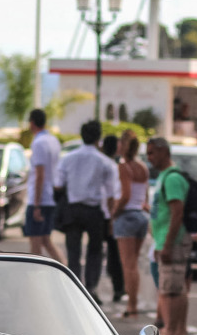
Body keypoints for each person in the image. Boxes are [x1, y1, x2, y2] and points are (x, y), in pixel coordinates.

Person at [55, 120, 118, 301]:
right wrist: (111, 216)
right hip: (94, 210)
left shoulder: (68, 158)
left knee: (73, 250)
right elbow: (111, 193)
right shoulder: (105, 162)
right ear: (99, 139)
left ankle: (76, 288)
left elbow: (58, 185)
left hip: (73, 208)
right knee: (95, 251)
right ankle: (91, 288)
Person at [144, 136, 191, 335]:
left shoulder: (172, 178)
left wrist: (168, 244)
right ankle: (175, 330)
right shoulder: (165, 176)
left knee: (172, 289)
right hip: (164, 240)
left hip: (173, 241)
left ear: (164, 152)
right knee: (172, 287)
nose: (149, 157)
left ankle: (175, 331)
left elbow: (177, 213)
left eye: (152, 152)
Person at [111, 130, 151, 318]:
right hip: (141, 215)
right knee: (133, 262)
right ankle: (134, 301)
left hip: (126, 216)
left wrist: (114, 213)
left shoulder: (123, 167)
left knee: (128, 264)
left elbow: (125, 195)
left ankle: (132, 304)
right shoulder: (143, 167)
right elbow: (145, 196)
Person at [24, 108, 62, 260]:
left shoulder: (39, 142)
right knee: (46, 240)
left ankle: (36, 279)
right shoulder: (53, 140)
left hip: (40, 198)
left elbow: (40, 174)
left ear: (32, 123)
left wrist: (37, 205)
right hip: (50, 196)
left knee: (35, 246)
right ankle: (65, 268)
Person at [99, 132, 125, 304]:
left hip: (97, 211)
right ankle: (118, 289)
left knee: (97, 252)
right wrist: (111, 217)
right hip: (109, 213)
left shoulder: (100, 163)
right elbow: (112, 194)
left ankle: (92, 287)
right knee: (115, 253)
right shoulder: (113, 167)